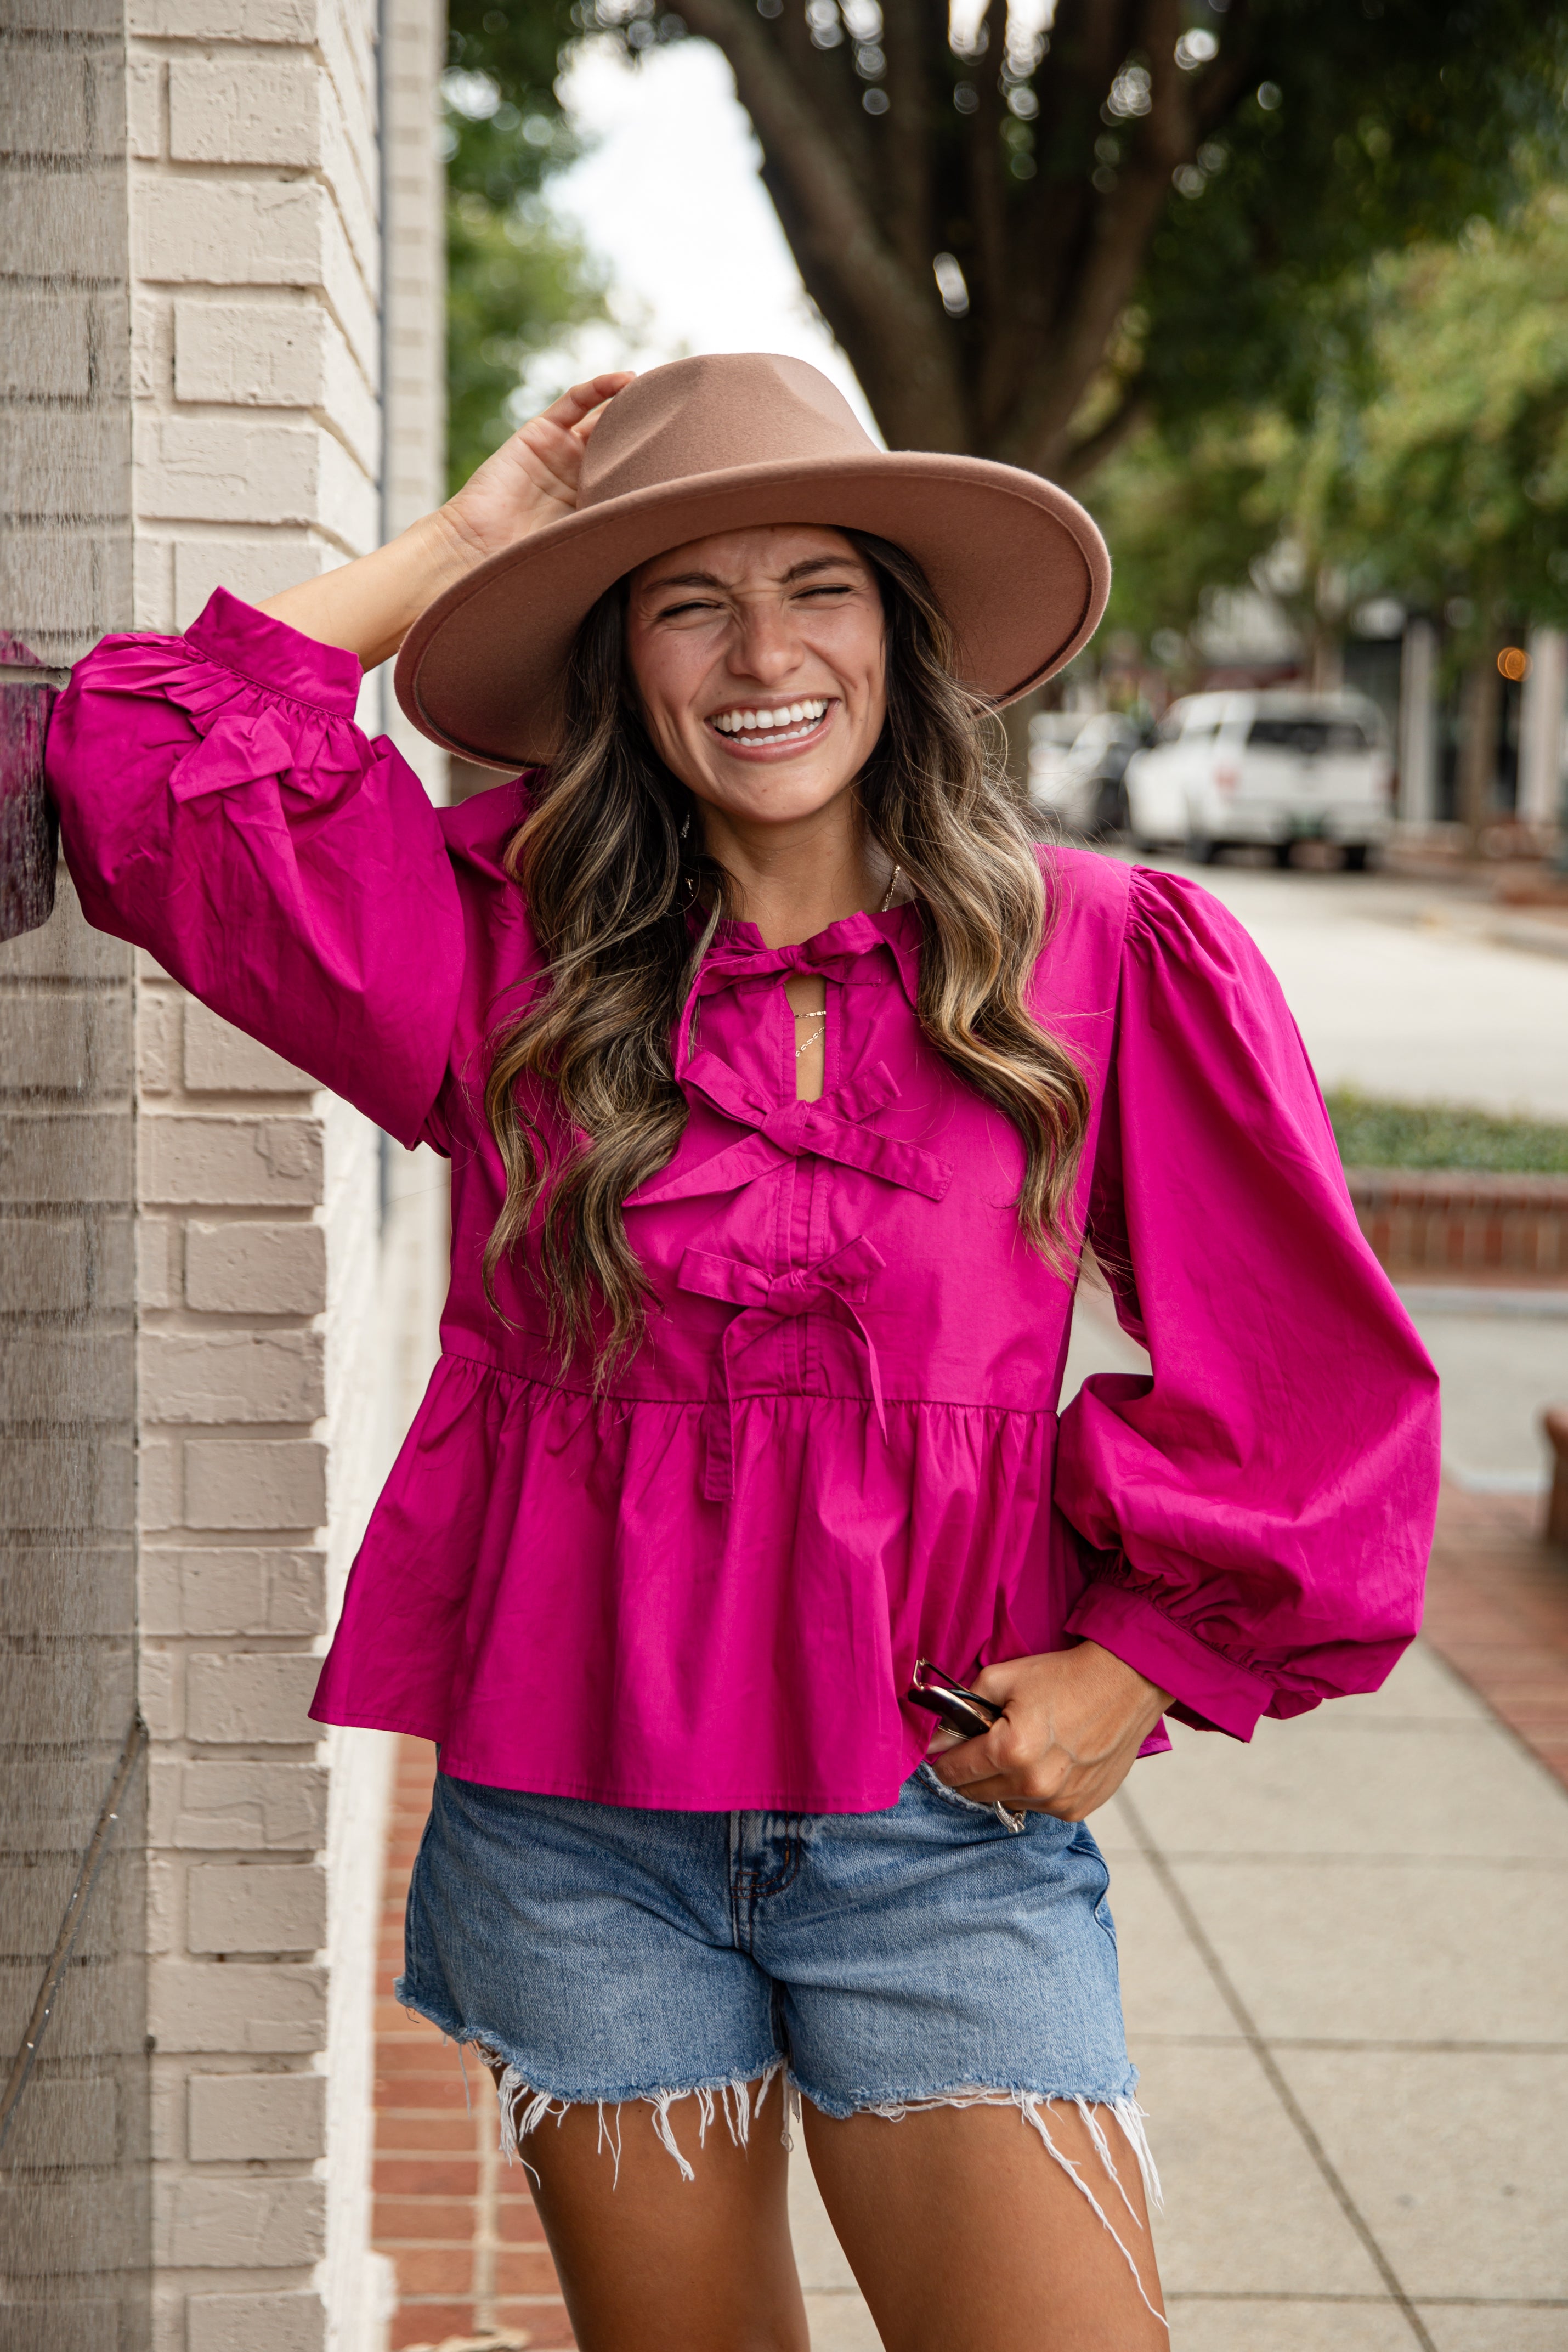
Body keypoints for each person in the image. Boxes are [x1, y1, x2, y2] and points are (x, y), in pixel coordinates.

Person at [48, 353, 1440, 2352]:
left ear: (903, 633)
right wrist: (474, 540)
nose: (759, 652)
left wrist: (1147, 1664)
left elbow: (1304, 1368)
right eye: (686, 600)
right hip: (577, 1823)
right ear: (621, 666)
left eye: (819, 587)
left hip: (934, 1825)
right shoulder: (497, 955)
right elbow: (143, 751)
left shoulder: (1103, 954)